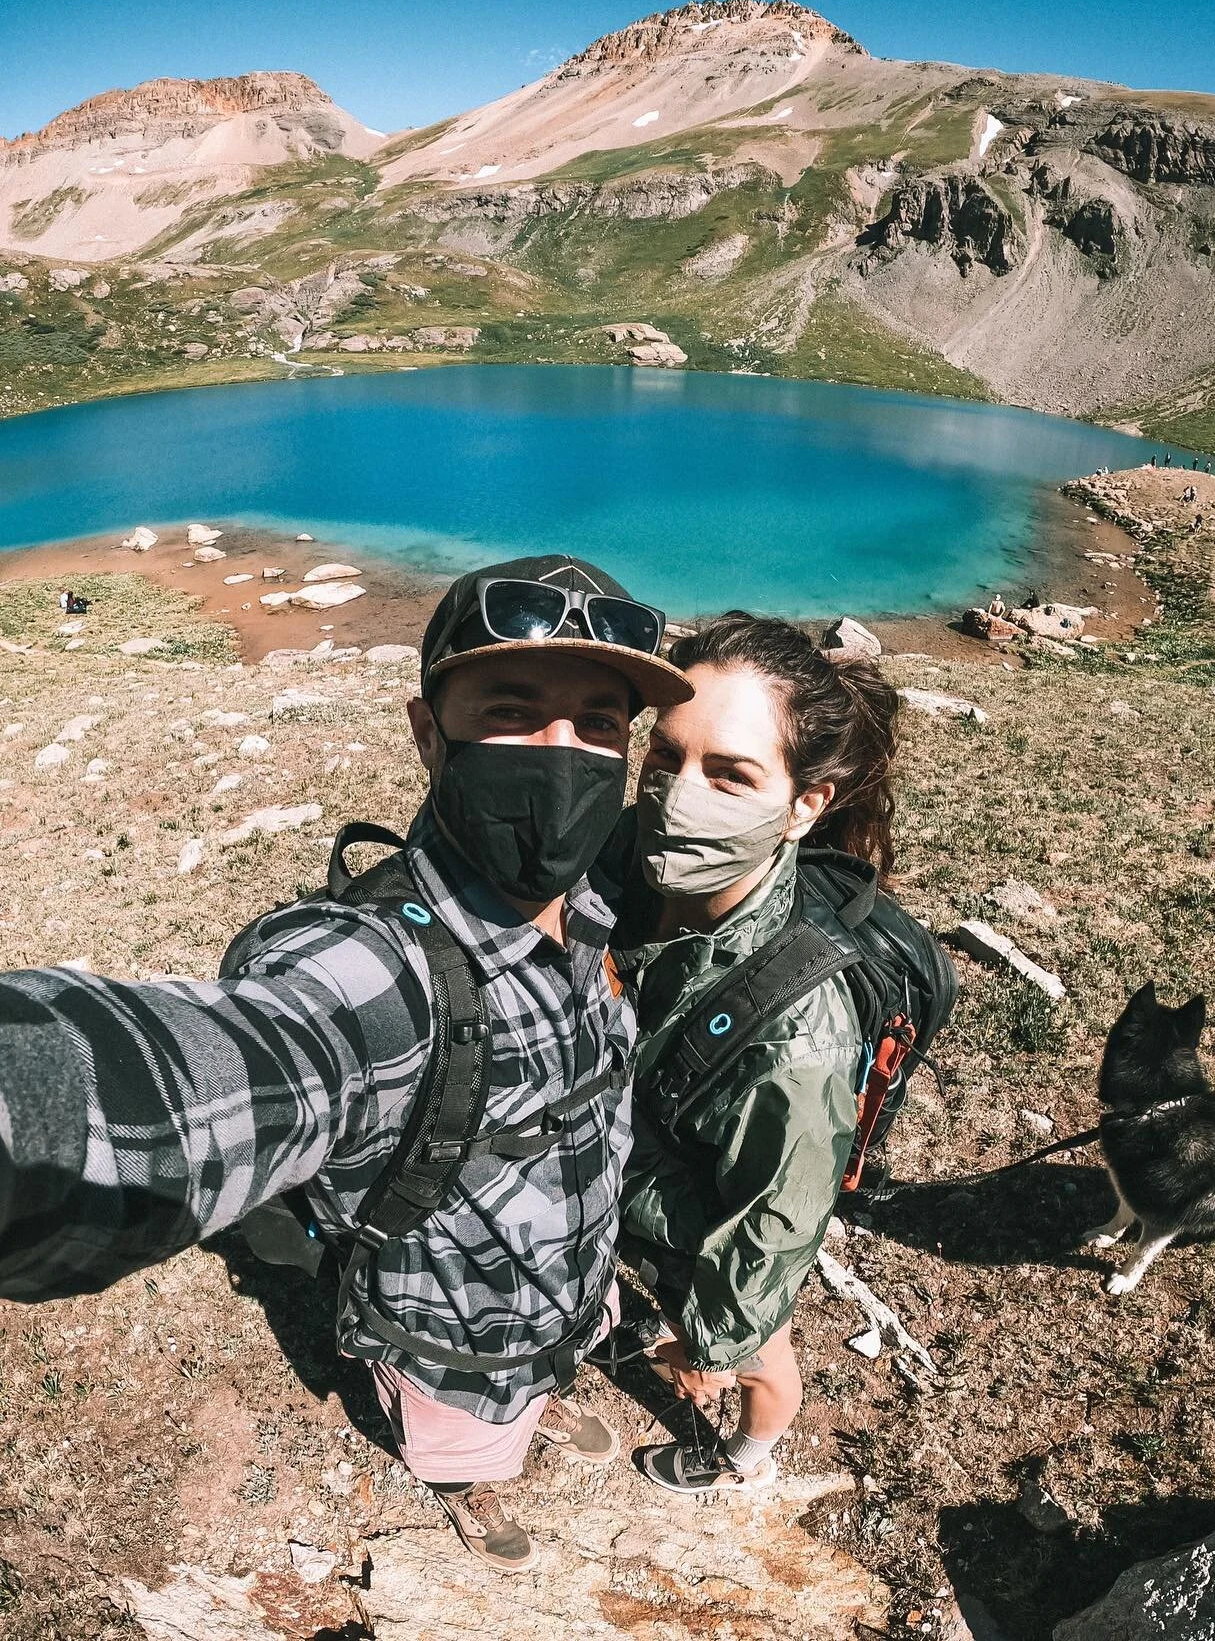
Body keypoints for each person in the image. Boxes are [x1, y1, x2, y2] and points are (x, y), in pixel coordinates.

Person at [0, 554, 693, 1573]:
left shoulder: (596, 908)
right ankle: (469, 1494)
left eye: (599, 723)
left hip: (571, 1292)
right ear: (428, 736)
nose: (564, 753)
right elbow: (199, 1080)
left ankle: (540, 1401)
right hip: (448, 1344)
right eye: (512, 711)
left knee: (550, 1375)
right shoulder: (370, 971)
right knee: (465, 1451)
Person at [605, 612, 900, 1494]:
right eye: (667, 757)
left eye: (730, 775)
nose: (678, 795)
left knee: (766, 1358)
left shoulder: (803, 1035)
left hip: (713, 1233)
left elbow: (775, 1227)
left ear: (805, 805)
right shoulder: (635, 864)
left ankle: (747, 1451)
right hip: (648, 1181)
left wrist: (716, 1344)